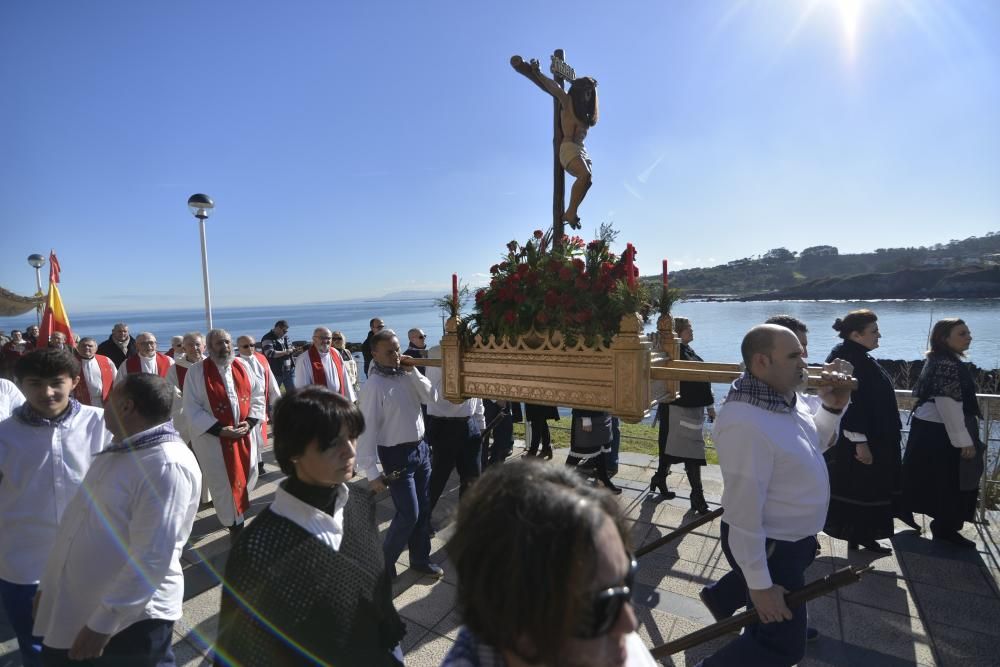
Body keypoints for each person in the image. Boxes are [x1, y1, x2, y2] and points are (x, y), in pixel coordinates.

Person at [695, 325, 852, 667]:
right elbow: (743, 514)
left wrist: (832, 409)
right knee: (780, 647)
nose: (806, 361)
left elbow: (815, 445)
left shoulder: (783, 400)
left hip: (788, 543)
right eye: (795, 355)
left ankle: (724, 599)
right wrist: (761, 586)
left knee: (768, 630)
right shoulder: (746, 421)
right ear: (762, 361)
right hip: (772, 545)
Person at [215, 387, 406, 666]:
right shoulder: (259, 547)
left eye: (352, 437)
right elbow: (242, 650)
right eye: (332, 443)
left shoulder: (361, 503)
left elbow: (376, 595)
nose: (350, 451)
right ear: (293, 450)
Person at [33, 374, 202, 666]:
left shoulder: (165, 464)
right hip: (81, 608)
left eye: (110, 400)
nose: (103, 406)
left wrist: (103, 624)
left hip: (129, 624)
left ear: (126, 407)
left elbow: (152, 556)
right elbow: (76, 527)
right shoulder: (119, 450)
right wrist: (48, 590)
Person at [442, 459, 656, 667]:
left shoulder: (608, 646)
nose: (630, 624)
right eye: (599, 607)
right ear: (515, 627)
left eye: (627, 579)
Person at [0, 349, 112, 666]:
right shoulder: (5, 436)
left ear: (74, 381)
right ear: (20, 384)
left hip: (90, 560)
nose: (47, 392)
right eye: (35, 383)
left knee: (91, 646)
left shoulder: (100, 424)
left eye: (56, 383)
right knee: (37, 649)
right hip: (23, 563)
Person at [823, 309, 914, 555]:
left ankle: (859, 536)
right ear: (855, 334)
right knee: (864, 487)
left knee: (862, 486)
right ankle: (864, 536)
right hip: (863, 439)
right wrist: (860, 442)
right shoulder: (848, 359)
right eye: (873, 331)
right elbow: (851, 404)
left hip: (873, 436)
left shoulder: (854, 355)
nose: (879, 335)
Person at [357, 329, 443, 579]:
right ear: (374, 354)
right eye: (389, 352)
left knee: (423, 509)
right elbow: (366, 429)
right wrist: (372, 472)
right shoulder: (374, 385)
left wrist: (413, 371)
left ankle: (419, 559)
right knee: (409, 513)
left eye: (397, 349)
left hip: (421, 449)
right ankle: (383, 563)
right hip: (396, 455)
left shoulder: (406, 375)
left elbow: (431, 397)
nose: (396, 355)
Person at [902, 318, 983, 549]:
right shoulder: (947, 364)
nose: (969, 337)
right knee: (952, 481)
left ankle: (907, 509)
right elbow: (948, 403)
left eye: (968, 332)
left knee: (929, 478)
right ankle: (946, 528)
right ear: (944, 338)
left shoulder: (937, 360)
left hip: (930, 429)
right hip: (941, 432)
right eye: (962, 333)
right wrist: (963, 440)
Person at [183, 328, 265, 539]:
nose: (225, 347)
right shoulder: (197, 372)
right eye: (219, 343)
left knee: (247, 475)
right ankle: (235, 527)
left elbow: (257, 395)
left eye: (227, 342)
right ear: (209, 348)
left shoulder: (243, 365)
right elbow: (191, 408)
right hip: (215, 441)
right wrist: (220, 430)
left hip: (244, 435)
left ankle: (237, 517)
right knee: (223, 484)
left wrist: (250, 422)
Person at [523, 59, 599, 229]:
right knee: (584, 175)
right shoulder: (567, 102)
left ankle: (572, 211)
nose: (588, 96)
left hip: (582, 150)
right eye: (585, 92)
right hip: (568, 147)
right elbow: (554, 88)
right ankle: (570, 212)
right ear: (578, 92)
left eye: (590, 93)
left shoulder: (585, 116)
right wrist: (537, 72)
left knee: (588, 180)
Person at [650, 317, 715, 513]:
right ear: (678, 332)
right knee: (690, 452)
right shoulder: (675, 352)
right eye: (689, 328)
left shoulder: (686, 350)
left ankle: (660, 478)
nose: (692, 331)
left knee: (677, 450)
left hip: (690, 407)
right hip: (678, 408)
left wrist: (709, 404)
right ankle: (698, 497)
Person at [424, 347, 485, 507]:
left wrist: (480, 422)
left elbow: (477, 396)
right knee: (439, 476)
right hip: (444, 424)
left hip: (469, 424)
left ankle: (465, 517)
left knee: (472, 477)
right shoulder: (438, 355)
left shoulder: (470, 357)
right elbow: (434, 396)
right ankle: (423, 520)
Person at [238, 334, 282, 476]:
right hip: (245, 405)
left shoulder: (262, 359)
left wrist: (277, 401)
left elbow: (271, 381)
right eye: (246, 346)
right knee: (252, 436)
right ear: (238, 348)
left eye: (253, 345)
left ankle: (259, 462)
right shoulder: (235, 362)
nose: (250, 348)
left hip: (261, 403)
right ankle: (256, 464)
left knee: (259, 436)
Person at [294, 327, 357, 401]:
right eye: (322, 338)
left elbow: (344, 376)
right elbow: (303, 387)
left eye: (329, 338)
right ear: (314, 339)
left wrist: (350, 399)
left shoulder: (336, 353)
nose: (326, 341)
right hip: (319, 404)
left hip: (338, 400)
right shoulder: (304, 359)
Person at [567, 409, 621, 494]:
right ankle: (559, 481)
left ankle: (604, 480)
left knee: (600, 451)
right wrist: (585, 418)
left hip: (602, 415)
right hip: (587, 416)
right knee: (579, 451)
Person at [72, 337, 116, 409]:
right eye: (84, 345)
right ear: (77, 348)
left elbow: (116, 380)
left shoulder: (106, 360)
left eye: (90, 346)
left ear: (96, 349)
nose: (87, 348)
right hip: (81, 404)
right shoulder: (72, 362)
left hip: (105, 402)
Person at [260, 320, 300, 393]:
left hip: (289, 370)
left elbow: (290, 348)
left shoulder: (285, 337)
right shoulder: (267, 338)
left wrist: (294, 350)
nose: (285, 333)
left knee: (293, 394)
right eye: (284, 331)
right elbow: (269, 353)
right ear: (278, 328)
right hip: (276, 372)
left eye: (286, 331)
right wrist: (286, 352)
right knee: (273, 394)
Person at [331, 330, 360, 398]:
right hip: (342, 386)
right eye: (334, 338)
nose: (337, 340)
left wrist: (356, 382)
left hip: (352, 384)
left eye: (339, 338)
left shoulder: (347, 352)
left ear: (343, 340)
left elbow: (354, 369)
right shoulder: (331, 353)